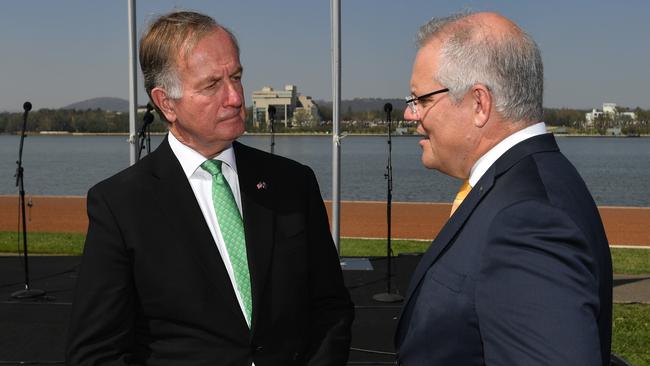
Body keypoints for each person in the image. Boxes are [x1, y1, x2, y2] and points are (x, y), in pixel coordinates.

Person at [66, 11, 353, 366]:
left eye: (236, 77)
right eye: (212, 85)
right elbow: (95, 353)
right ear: (166, 102)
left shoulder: (294, 183)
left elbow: (330, 308)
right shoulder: (120, 205)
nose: (234, 97)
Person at [394, 12, 612, 365]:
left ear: (479, 104)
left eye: (420, 99)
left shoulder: (529, 220)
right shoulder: (526, 185)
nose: (410, 114)